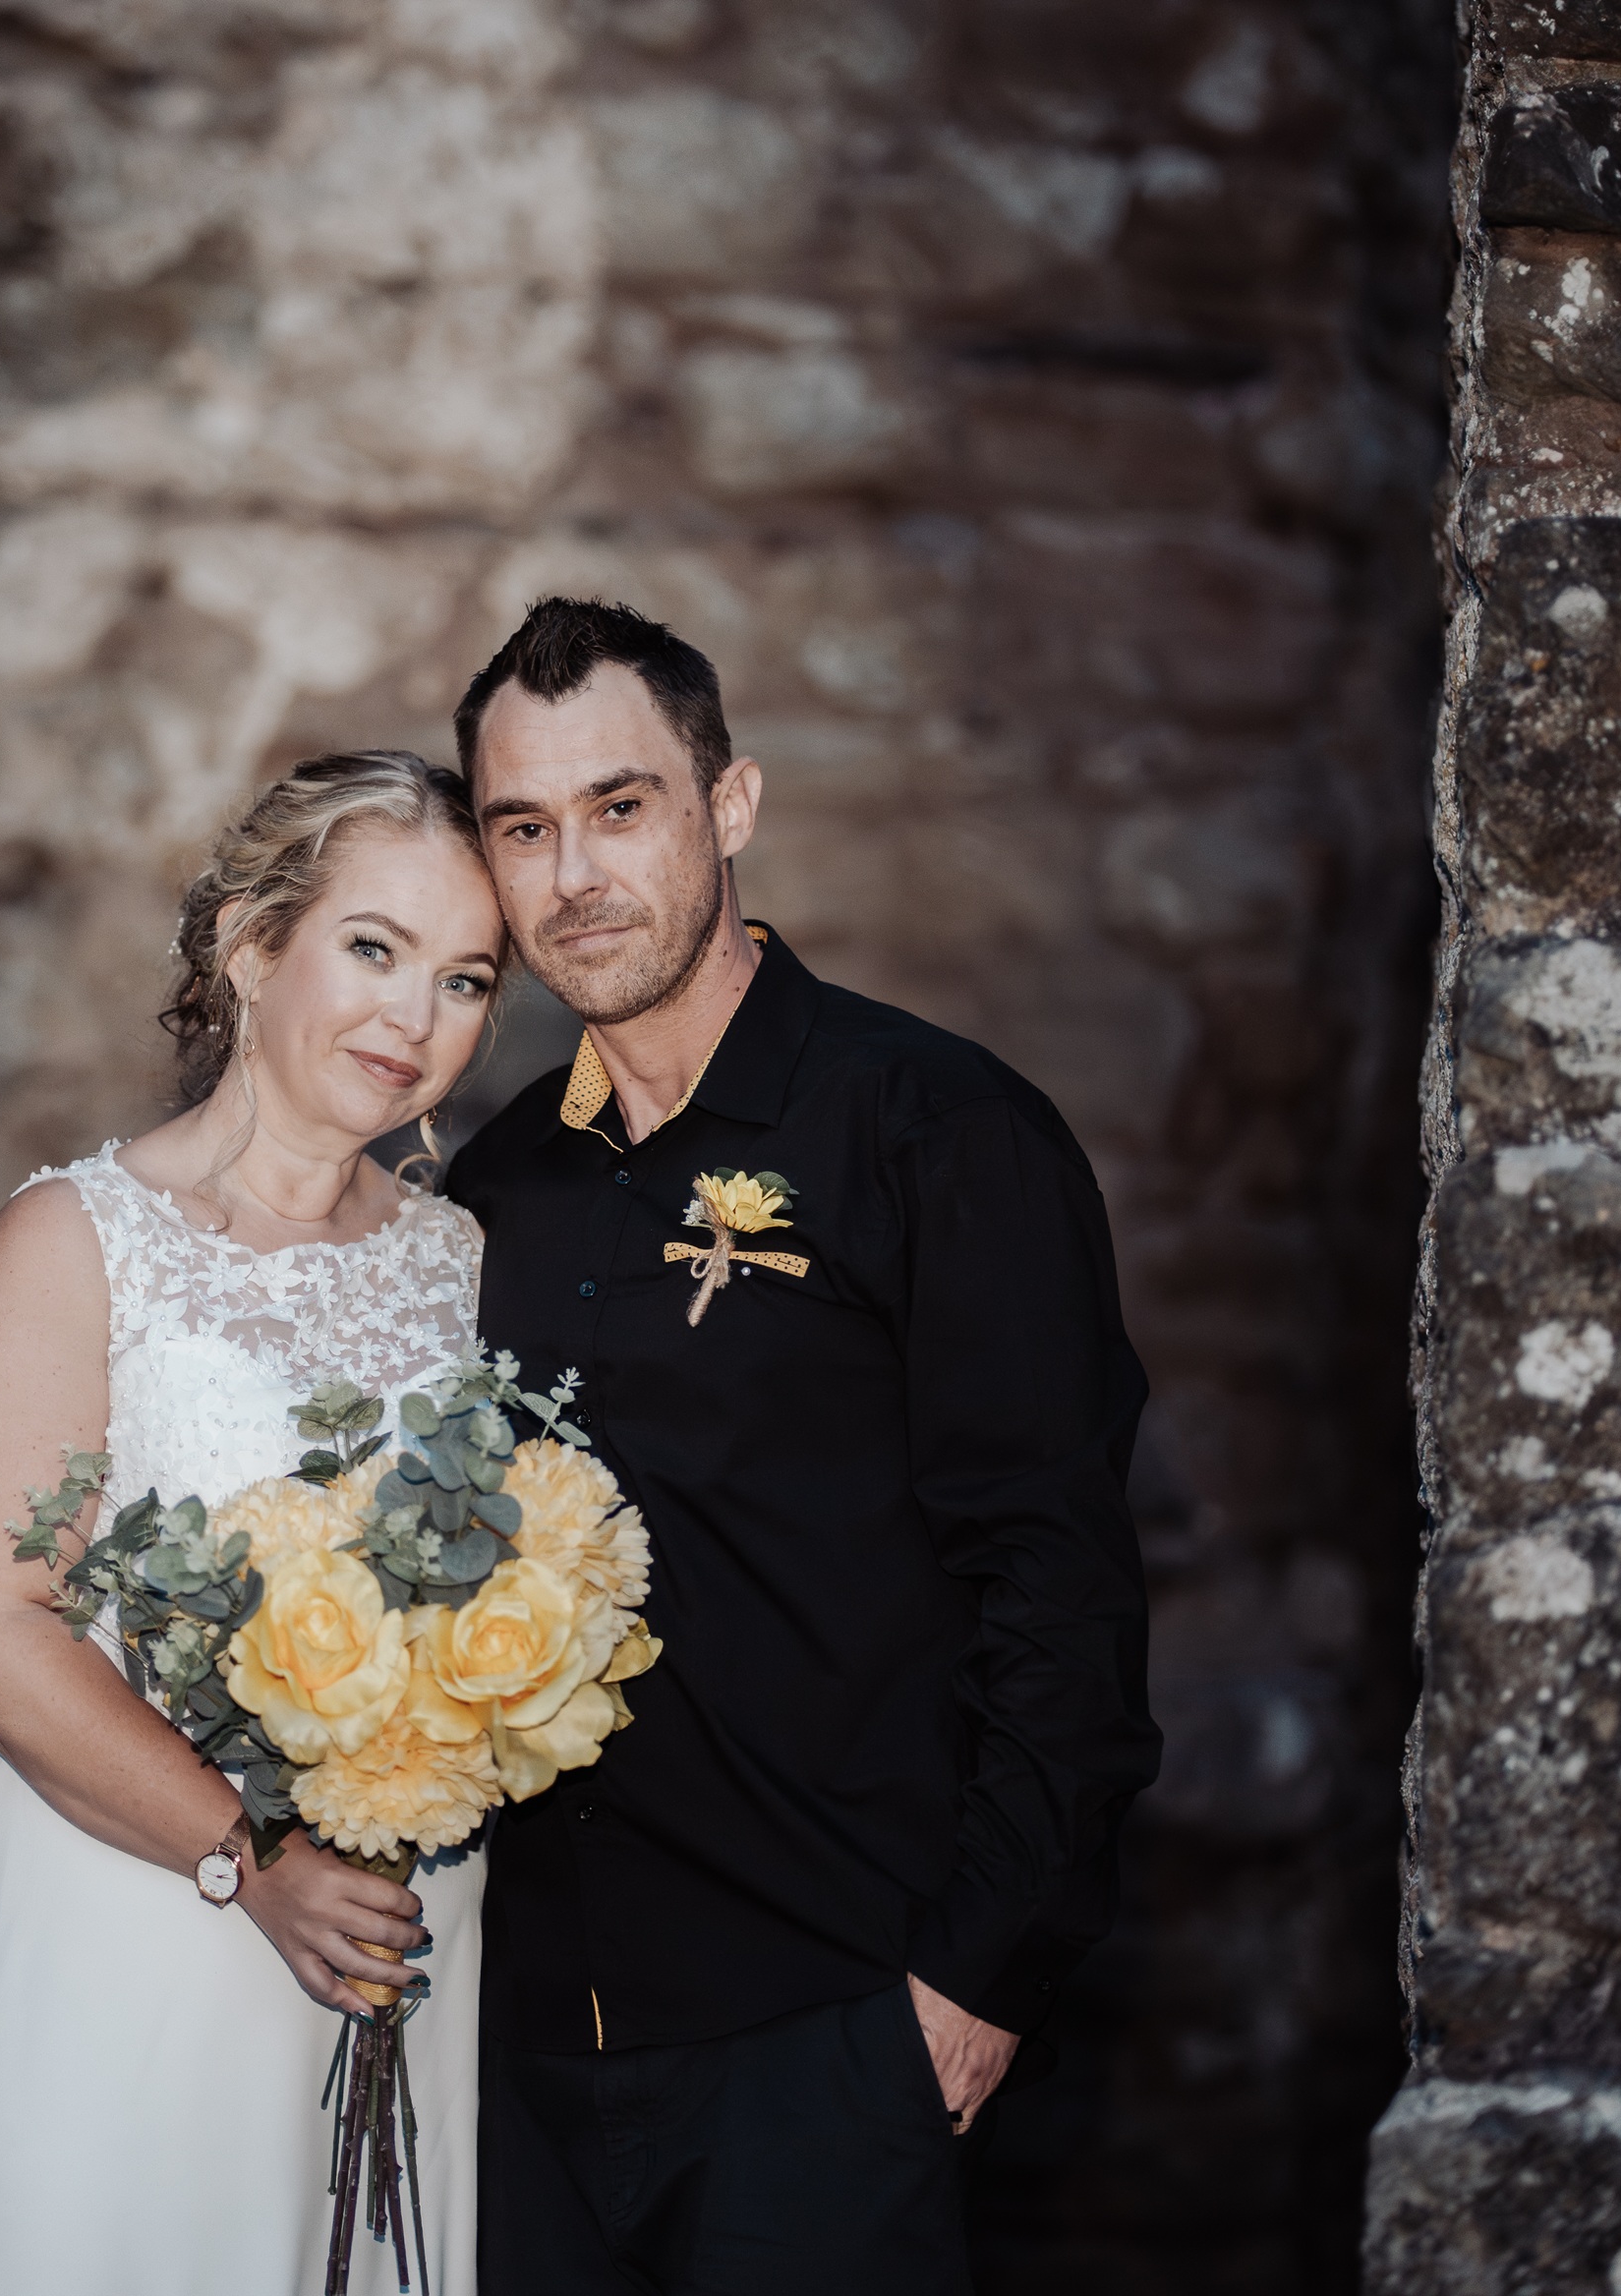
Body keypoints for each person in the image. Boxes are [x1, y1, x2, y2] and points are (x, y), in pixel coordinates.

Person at [443, 600, 1159, 2295]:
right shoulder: (490, 1198)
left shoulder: (939, 1130)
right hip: (518, 2061)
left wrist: (971, 1992)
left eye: (623, 808)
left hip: (825, 2039)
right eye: (524, 829)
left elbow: (1058, 1591)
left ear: (732, 805)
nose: (577, 876)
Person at [0, 751, 510, 2293]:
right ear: (249, 946)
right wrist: (254, 1858)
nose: (414, 1022)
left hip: (399, 1949)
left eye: (467, 978)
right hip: (132, 1926)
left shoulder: (474, 1262)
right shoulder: (78, 1240)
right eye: (374, 950)